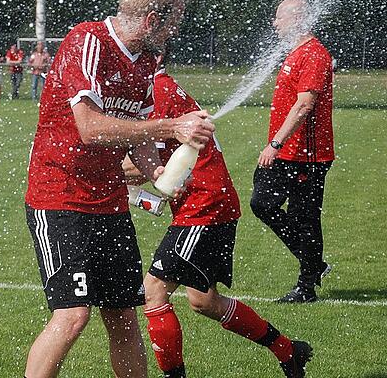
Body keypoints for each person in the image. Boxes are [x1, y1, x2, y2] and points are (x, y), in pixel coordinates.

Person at [23, 0, 214, 378]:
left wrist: (160, 173)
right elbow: (90, 128)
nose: (176, 30)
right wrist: (172, 127)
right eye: (175, 20)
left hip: (108, 203)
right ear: (151, 21)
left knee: (124, 319)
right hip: (59, 199)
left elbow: (136, 136)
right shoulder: (88, 40)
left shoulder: (146, 62)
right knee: (73, 315)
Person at [124, 60, 313, 378]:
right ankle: (289, 350)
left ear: (154, 58)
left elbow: (147, 164)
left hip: (203, 207)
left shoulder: (158, 90)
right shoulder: (164, 86)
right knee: (204, 301)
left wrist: (99, 172)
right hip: (210, 203)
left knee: (153, 290)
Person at [250, 0, 335, 303]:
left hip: (306, 156)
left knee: (305, 218)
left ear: (297, 19)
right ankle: (315, 265)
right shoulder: (295, 53)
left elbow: (304, 105)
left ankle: (307, 285)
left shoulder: (313, 54)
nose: (275, 23)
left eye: (279, 18)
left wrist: (275, 143)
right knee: (262, 202)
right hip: (288, 153)